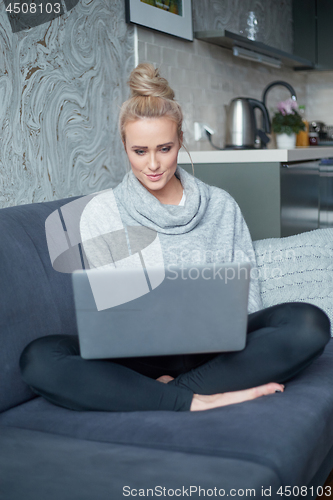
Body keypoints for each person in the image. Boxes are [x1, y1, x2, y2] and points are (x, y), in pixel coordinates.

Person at [20, 63, 331, 412]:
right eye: (140, 152)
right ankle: (192, 399)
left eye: (164, 149)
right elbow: (108, 319)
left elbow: (248, 303)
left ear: (180, 141)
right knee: (39, 357)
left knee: (309, 322)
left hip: (216, 352)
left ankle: (161, 394)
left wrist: (216, 326)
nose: (152, 164)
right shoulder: (102, 212)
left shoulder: (221, 206)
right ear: (124, 146)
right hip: (138, 357)